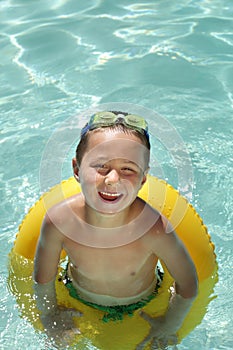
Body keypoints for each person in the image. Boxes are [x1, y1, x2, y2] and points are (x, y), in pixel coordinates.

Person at [33, 111, 198, 346]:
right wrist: (51, 316)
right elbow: (43, 281)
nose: (112, 179)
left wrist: (168, 323)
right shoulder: (59, 222)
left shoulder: (154, 230)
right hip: (78, 298)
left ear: (143, 179)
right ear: (77, 169)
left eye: (128, 169)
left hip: (142, 304)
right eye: (101, 166)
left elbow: (188, 283)